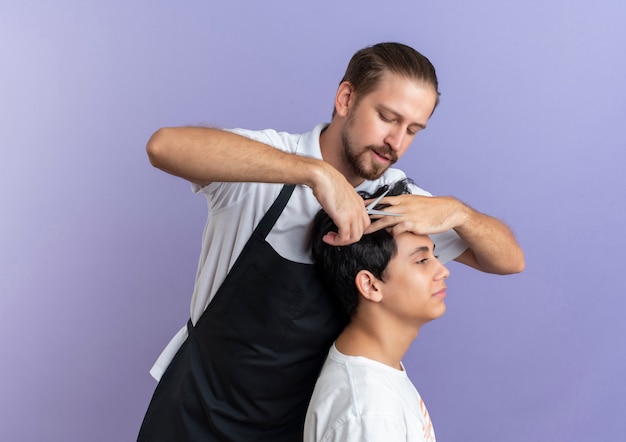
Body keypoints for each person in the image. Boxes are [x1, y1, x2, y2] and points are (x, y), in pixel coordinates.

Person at [138, 42, 524, 441]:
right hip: (192, 419)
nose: (397, 142)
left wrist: (461, 213)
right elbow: (163, 146)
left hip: (296, 428)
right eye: (387, 117)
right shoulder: (271, 160)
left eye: (412, 129)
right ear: (346, 99)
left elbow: (509, 260)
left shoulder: (396, 201)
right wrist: (313, 174)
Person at [304, 180, 448, 442]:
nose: (443, 271)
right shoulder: (370, 414)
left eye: (434, 256)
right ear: (370, 285)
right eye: (422, 260)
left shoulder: (380, 373)